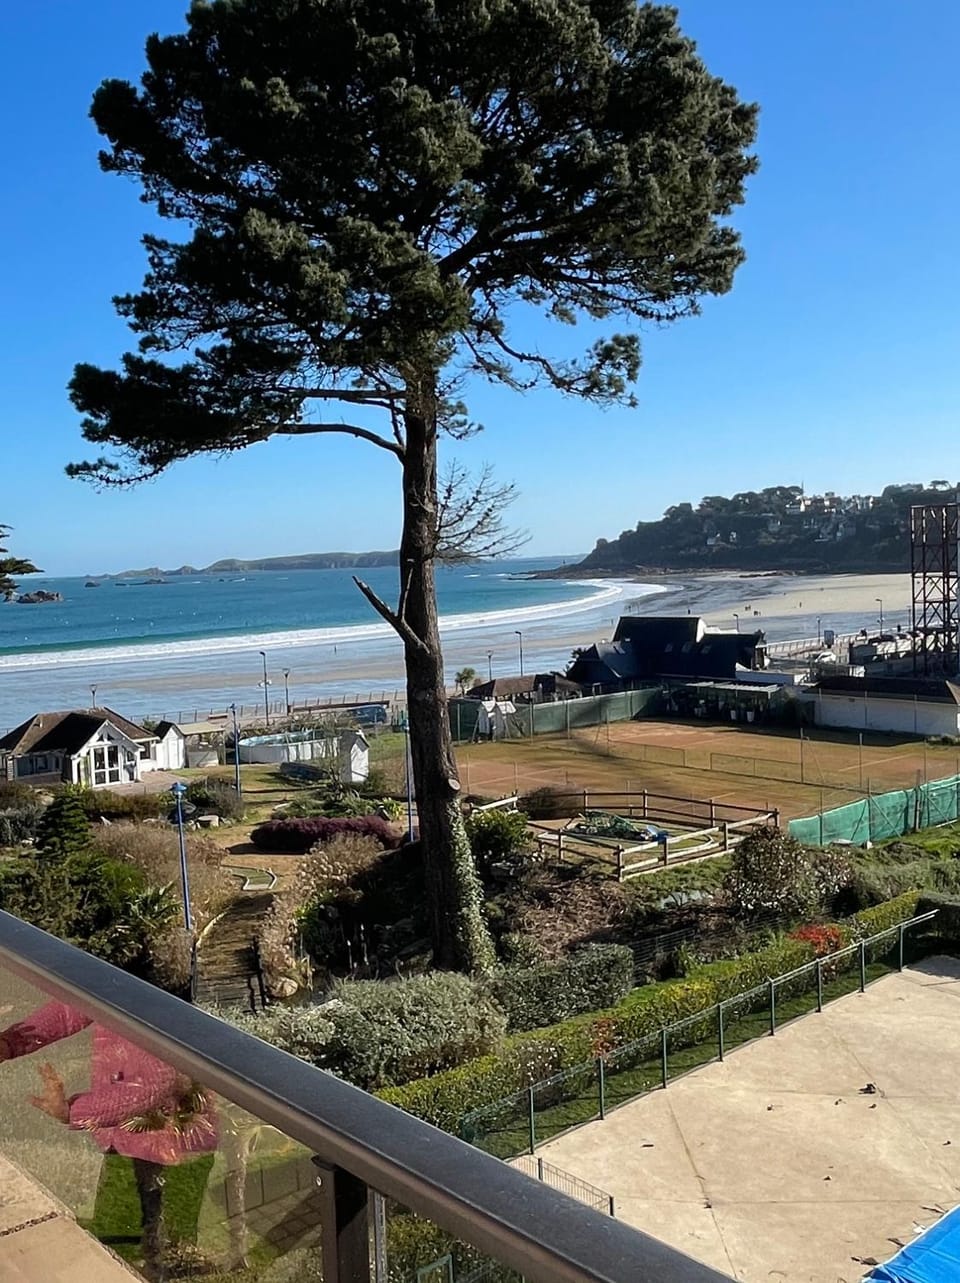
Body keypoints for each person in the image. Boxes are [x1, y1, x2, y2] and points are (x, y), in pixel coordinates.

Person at [0, 1000, 217, 1280]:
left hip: (171, 1140)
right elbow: (71, 1009)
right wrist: (11, 1043)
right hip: (127, 1137)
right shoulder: (116, 981)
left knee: (164, 1230)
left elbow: (152, 1086)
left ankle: (160, 1265)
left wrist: (74, 1111)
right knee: (125, 1225)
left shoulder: (154, 997)